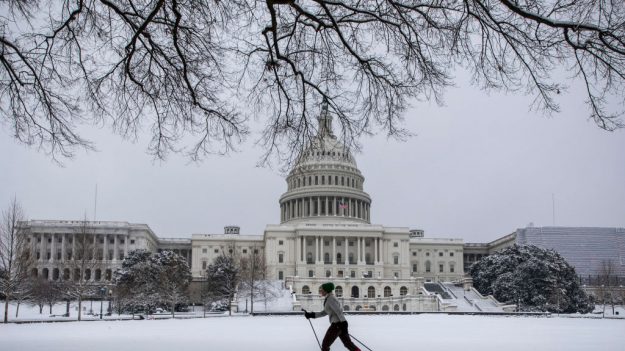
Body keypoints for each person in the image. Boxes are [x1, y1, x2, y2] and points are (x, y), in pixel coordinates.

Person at [304, 282, 361, 351]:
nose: (320, 291)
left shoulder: (331, 299)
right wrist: (312, 315)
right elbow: (324, 312)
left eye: (322, 289)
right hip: (339, 324)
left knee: (325, 344)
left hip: (337, 325)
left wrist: (343, 323)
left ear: (326, 290)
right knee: (348, 343)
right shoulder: (329, 298)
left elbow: (339, 311)